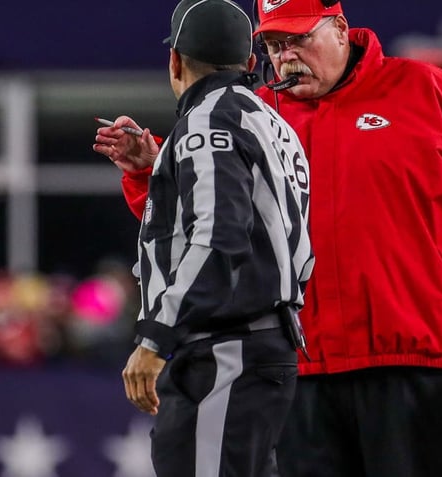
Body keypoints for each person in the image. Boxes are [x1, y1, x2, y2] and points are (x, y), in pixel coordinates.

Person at [97, 0, 442, 475]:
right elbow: (211, 226)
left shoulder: (428, 92)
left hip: (419, 365)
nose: (286, 56)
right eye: (273, 44)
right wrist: (153, 172)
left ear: (340, 29)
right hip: (301, 374)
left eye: (299, 38)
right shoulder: (256, 117)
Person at [94, 0, 313, 475]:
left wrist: (155, 338)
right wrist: (154, 171)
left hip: (224, 351)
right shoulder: (273, 123)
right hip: (263, 345)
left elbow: (219, 238)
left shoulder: (206, 120)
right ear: (251, 63)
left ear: (175, 60)